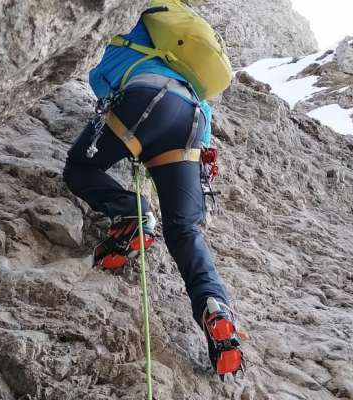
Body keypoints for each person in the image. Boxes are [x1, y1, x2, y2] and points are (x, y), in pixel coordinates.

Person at [62, 14, 243, 377]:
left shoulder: (128, 18)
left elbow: (103, 83)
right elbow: (203, 114)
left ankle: (132, 213)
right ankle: (215, 309)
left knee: (80, 169)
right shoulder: (182, 57)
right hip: (192, 121)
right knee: (185, 231)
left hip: (146, 99)